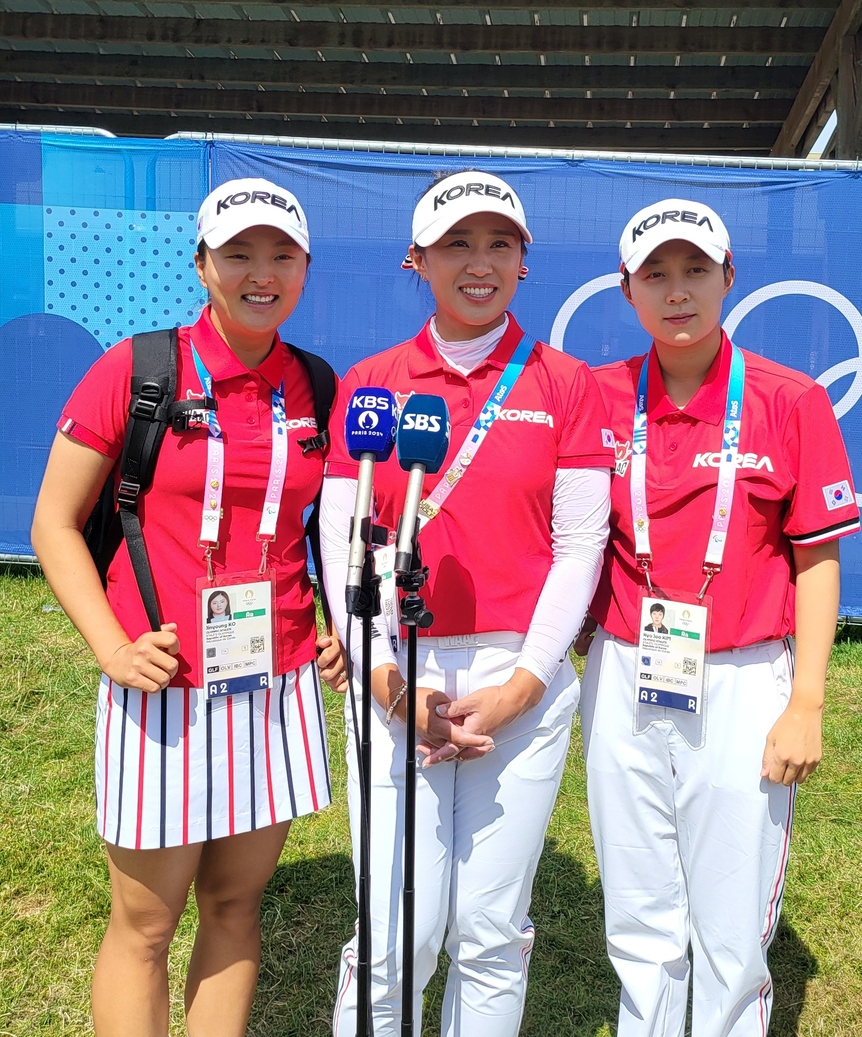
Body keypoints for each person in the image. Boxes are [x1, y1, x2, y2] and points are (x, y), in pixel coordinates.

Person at [31, 176, 347, 1037]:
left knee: (237, 905)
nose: (261, 271)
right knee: (145, 924)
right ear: (202, 263)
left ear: (305, 267)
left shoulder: (319, 386)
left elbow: (323, 528)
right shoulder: (137, 368)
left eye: (281, 253)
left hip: (275, 685)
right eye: (238, 252)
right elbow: (53, 524)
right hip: (159, 680)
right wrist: (110, 644)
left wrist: (333, 630)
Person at [319, 169, 612, 1037]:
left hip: (519, 676)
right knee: (395, 935)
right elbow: (348, 546)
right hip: (393, 672)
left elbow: (580, 547)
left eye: (499, 243)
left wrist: (524, 683)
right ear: (417, 259)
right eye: (456, 243)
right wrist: (389, 685)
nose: (478, 262)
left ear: (525, 262)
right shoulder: (371, 383)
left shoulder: (567, 383)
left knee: (488, 930)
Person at [576, 198, 861, 1037]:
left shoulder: (791, 400)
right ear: (627, 291)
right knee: (638, 902)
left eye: (695, 269)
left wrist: (805, 702)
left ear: (729, 277)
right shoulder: (597, 395)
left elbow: (817, 558)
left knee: (731, 920)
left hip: (743, 675)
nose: (677, 292)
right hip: (627, 668)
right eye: (655, 275)